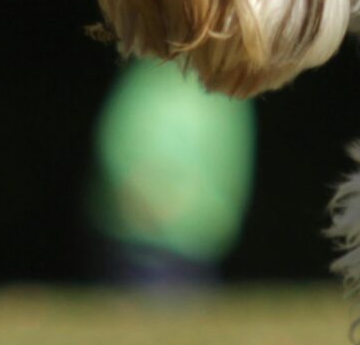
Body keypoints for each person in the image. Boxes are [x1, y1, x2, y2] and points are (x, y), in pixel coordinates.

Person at [89, 57, 254, 291]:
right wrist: (147, 198)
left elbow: (230, 168)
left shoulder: (226, 92)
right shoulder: (148, 82)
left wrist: (202, 211)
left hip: (196, 248)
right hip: (136, 249)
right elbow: (116, 148)